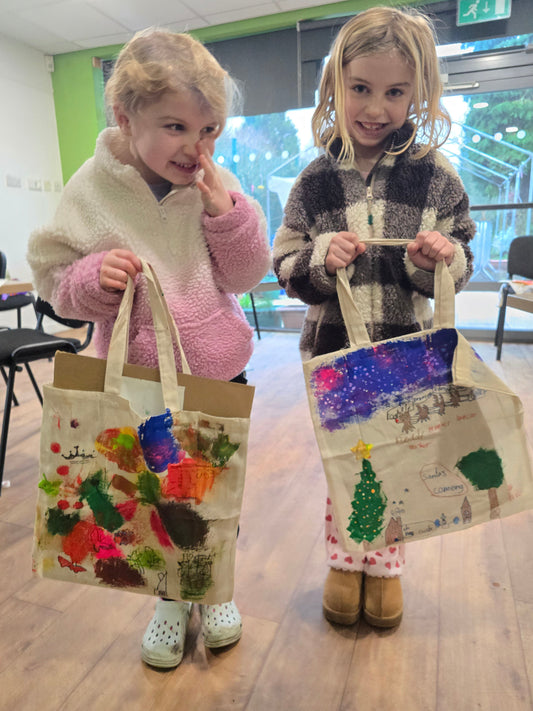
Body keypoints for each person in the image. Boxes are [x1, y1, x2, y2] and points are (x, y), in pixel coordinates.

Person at [28, 28, 270, 668]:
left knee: (214, 491)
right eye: (176, 127)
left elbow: (247, 276)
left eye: (210, 130)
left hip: (218, 374)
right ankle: (168, 597)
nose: (196, 148)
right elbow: (53, 282)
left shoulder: (218, 182)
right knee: (155, 494)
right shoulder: (92, 187)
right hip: (137, 381)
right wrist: (91, 280)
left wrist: (229, 215)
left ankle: (213, 586)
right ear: (124, 116)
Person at [273, 6, 475, 629]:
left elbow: (462, 255)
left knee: (395, 460)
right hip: (333, 351)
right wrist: (316, 261)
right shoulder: (312, 181)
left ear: (419, 93)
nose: (375, 107)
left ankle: (385, 569)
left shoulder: (435, 177)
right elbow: (283, 261)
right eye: (360, 88)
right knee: (349, 459)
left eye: (395, 92)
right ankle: (344, 561)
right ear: (337, 81)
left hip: (407, 348)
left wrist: (438, 258)